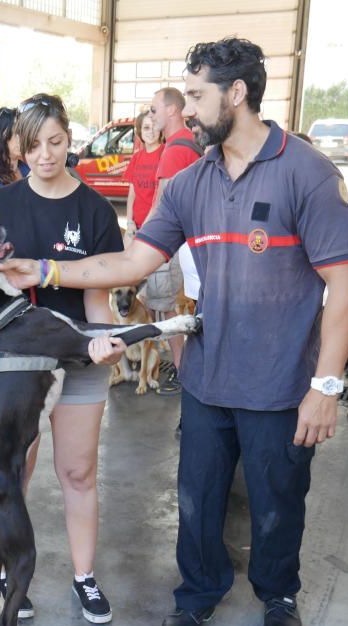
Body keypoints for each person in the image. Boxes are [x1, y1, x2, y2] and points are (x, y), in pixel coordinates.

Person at [0, 38, 348, 626]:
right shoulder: (192, 181)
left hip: (280, 383)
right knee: (196, 497)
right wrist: (49, 273)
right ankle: (197, 596)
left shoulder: (306, 172)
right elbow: (135, 258)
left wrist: (325, 387)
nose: (185, 111)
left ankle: (279, 595)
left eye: (196, 96)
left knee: (277, 500)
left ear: (236, 93)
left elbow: (345, 283)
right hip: (207, 377)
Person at [0, 93, 125, 625]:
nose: (46, 155)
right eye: (35, 144)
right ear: (19, 145)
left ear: (70, 140)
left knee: (79, 471)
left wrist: (106, 340)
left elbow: (98, 293)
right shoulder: (0, 207)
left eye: (57, 142)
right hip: (18, 362)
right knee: (15, 469)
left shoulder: (93, 210)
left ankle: (84, 576)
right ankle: (5, 572)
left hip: (79, 358)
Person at [147, 87, 203, 396]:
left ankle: (182, 371)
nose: (151, 115)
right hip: (192, 243)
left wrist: (141, 245)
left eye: (155, 110)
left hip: (174, 246)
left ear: (172, 111)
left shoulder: (174, 150)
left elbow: (161, 205)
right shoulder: (190, 144)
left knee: (168, 309)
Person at [123, 110, 163, 234]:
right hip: (136, 226)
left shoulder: (166, 154)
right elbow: (132, 194)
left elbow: (163, 196)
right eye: (146, 128)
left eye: (154, 127)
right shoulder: (136, 158)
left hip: (157, 226)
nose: (151, 131)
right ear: (140, 131)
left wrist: (147, 226)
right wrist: (129, 222)